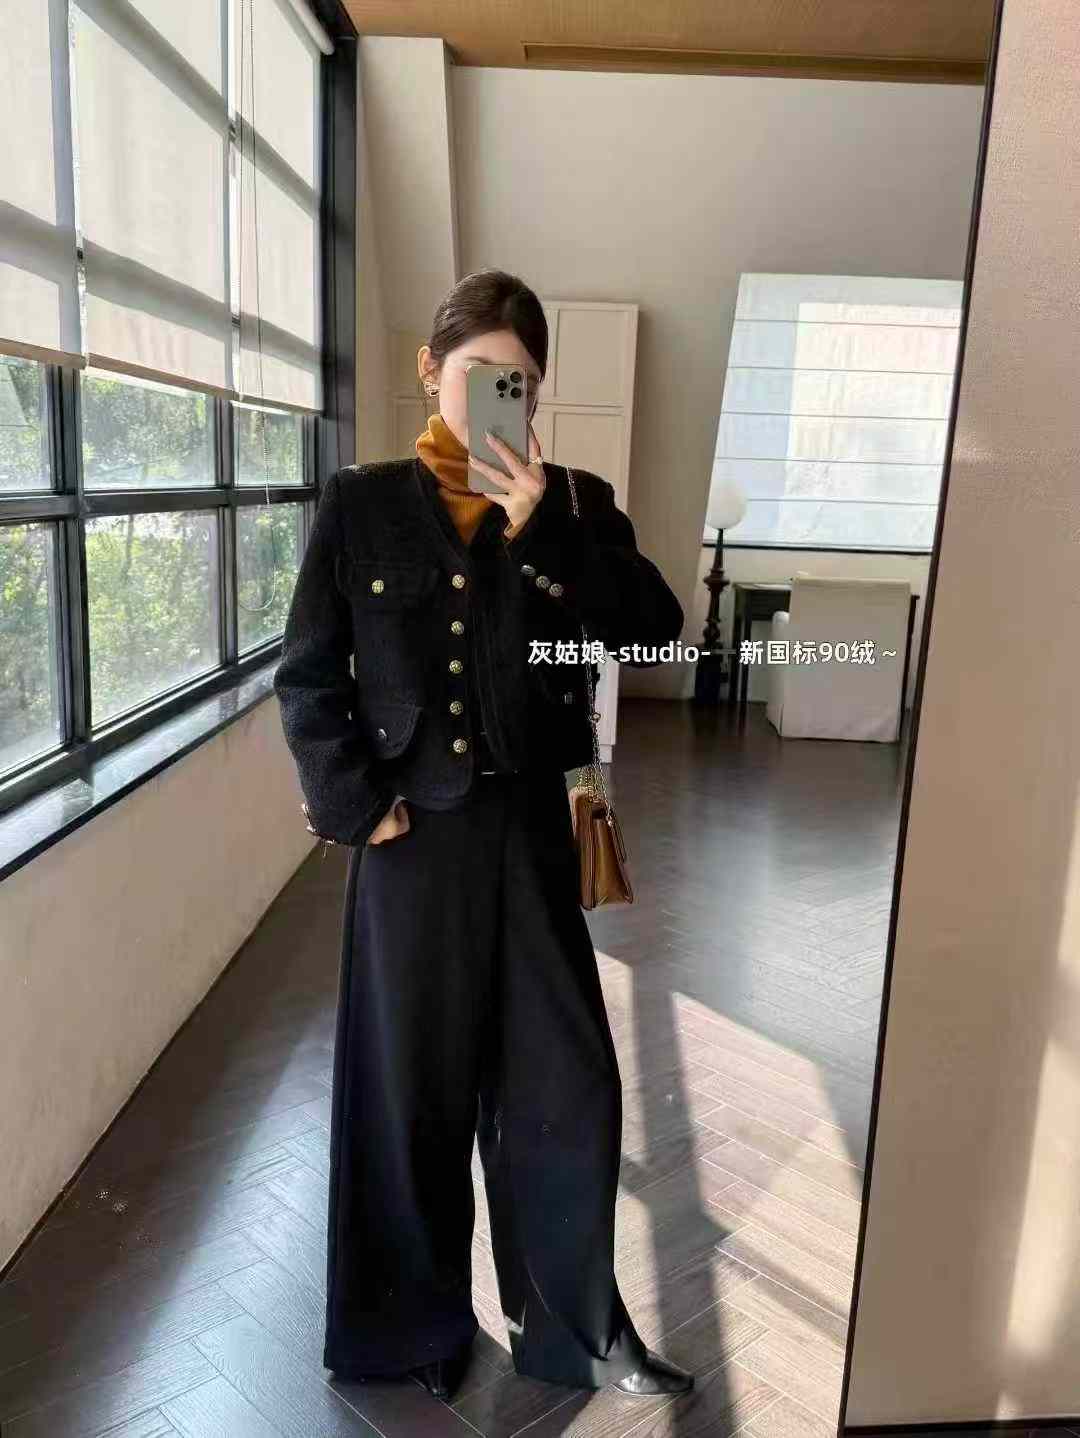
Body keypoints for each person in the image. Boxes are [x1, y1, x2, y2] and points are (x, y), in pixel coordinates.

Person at [273, 269, 692, 1403]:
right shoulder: (360, 503)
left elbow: (655, 625)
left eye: (521, 382)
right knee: (408, 1086)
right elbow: (308, 674)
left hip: (538, 833)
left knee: (570, 1082)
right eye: (478, 373)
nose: (499, 397)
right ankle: (406, 1328)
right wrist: (354, 800)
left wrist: (543, 521)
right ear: (430, 368)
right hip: (411, 841)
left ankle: (575, 1330)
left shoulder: (579, 503)